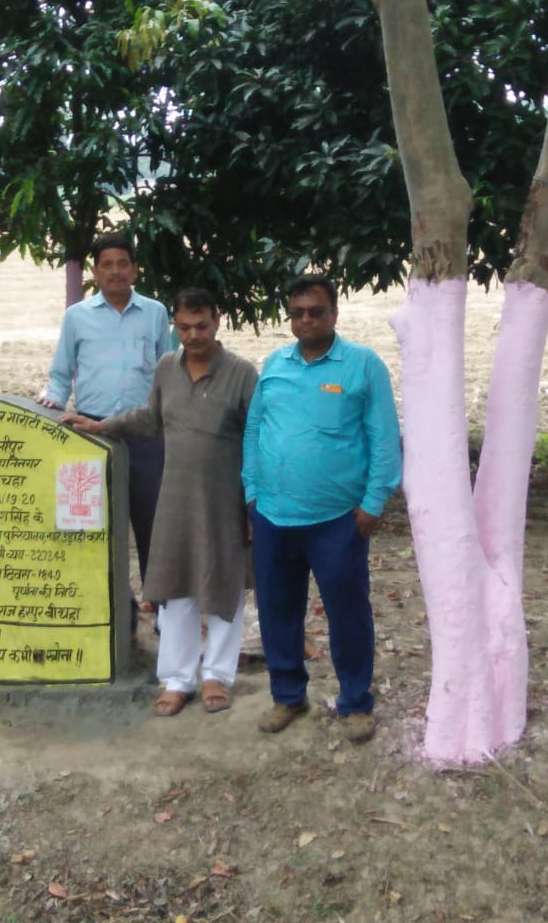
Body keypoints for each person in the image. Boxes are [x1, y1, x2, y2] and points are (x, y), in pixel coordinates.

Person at [67, 288, 257, 715]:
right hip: (174, 498)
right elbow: (150, 418)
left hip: (225, 496)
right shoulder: (167, 367)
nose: (192, 335)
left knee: (225, 583)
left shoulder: (242, 374)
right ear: (175, 326)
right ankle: (177, 678)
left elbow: (257, 438)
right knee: (174, 586)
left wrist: (252, 504)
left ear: (217, 321)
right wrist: (101, 426)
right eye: (184, 327)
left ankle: (218, 676)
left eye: (201, 326)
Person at [243, 275, 402, 743]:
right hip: (272, 516)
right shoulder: (274, 365)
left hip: (337, 520)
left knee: (348, 612)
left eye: (315, 311)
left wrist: (374, 501)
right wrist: (251, 491)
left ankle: (355, 702)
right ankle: (288, 694)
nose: (306, 319)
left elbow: (384, 438)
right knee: (277, 609)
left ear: (334, 313)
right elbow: (254, 431)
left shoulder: (362, 366)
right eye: (297, 312)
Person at [37, 233, 170, 625]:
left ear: (134, 268)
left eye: (123, 263)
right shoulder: (77, 316)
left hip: (146, 433)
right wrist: (53, 400)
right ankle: (116, 612)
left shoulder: (155, 312)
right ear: (96, 271)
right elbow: (61, 373)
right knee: (97, 525)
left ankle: (162, 611)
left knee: (152, 525)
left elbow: (167, 371)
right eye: (107, 264)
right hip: (92, 435)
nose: (116, 271)